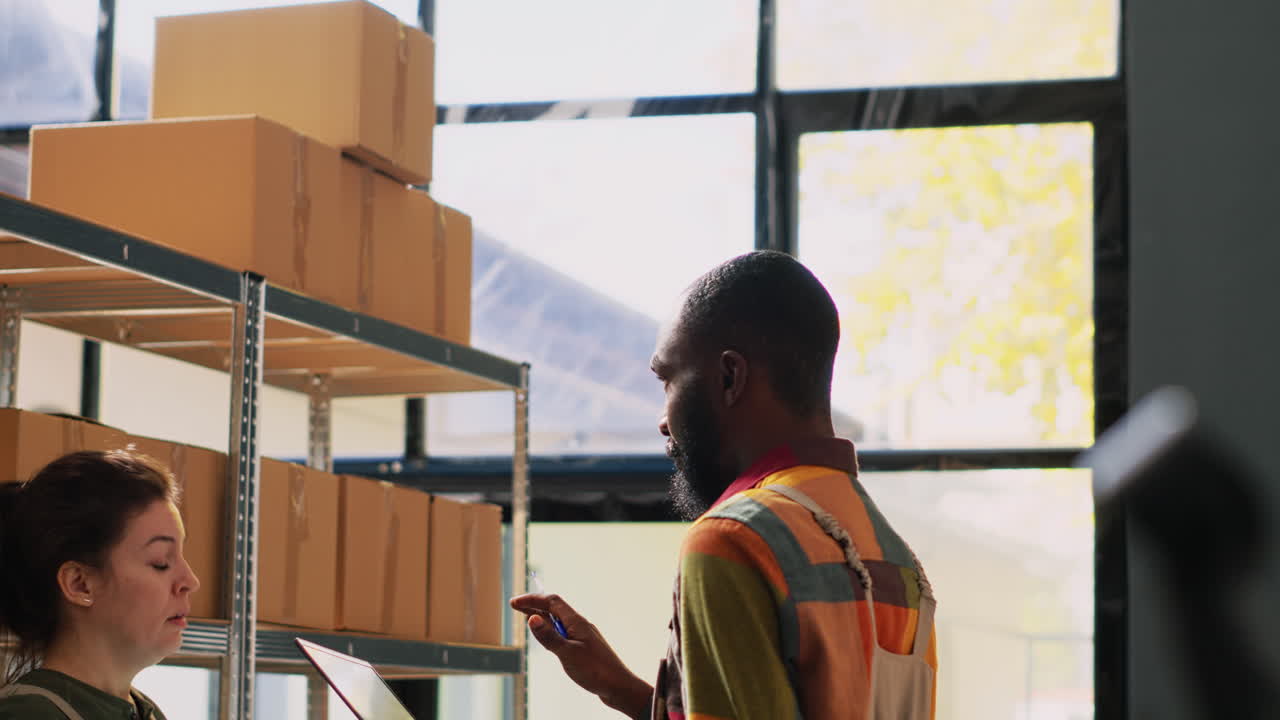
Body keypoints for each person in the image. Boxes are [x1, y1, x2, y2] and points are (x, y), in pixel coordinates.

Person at [512, 251, 938, 719]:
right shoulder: (890, 552)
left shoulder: (733, 539)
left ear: (730, 377)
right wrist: (616, 687)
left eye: (668, 379)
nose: (662, 419)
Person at [0, 450, 201, 719]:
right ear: (80, 584)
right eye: (160, 563)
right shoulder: (30, 714)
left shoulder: (146, 711)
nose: (190, 581)